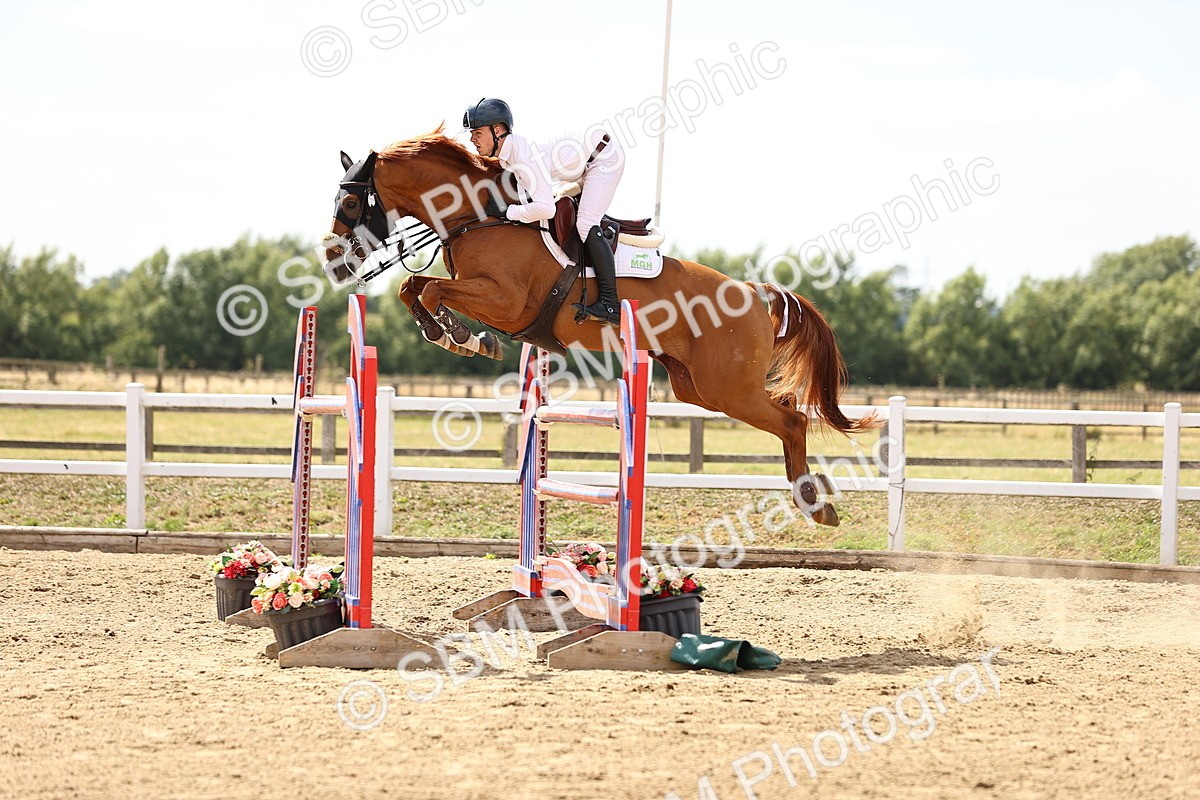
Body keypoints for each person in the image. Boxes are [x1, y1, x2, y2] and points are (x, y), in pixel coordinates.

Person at [463, 97, 625, 325]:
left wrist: (507, 212)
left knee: (586, 223)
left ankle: (610, 302)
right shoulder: (509, 157)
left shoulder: (521, 157)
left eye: (477, 133)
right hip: (582, 162)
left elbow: (545, 208)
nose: (472, 139)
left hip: (604, 158)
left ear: (497, 130)